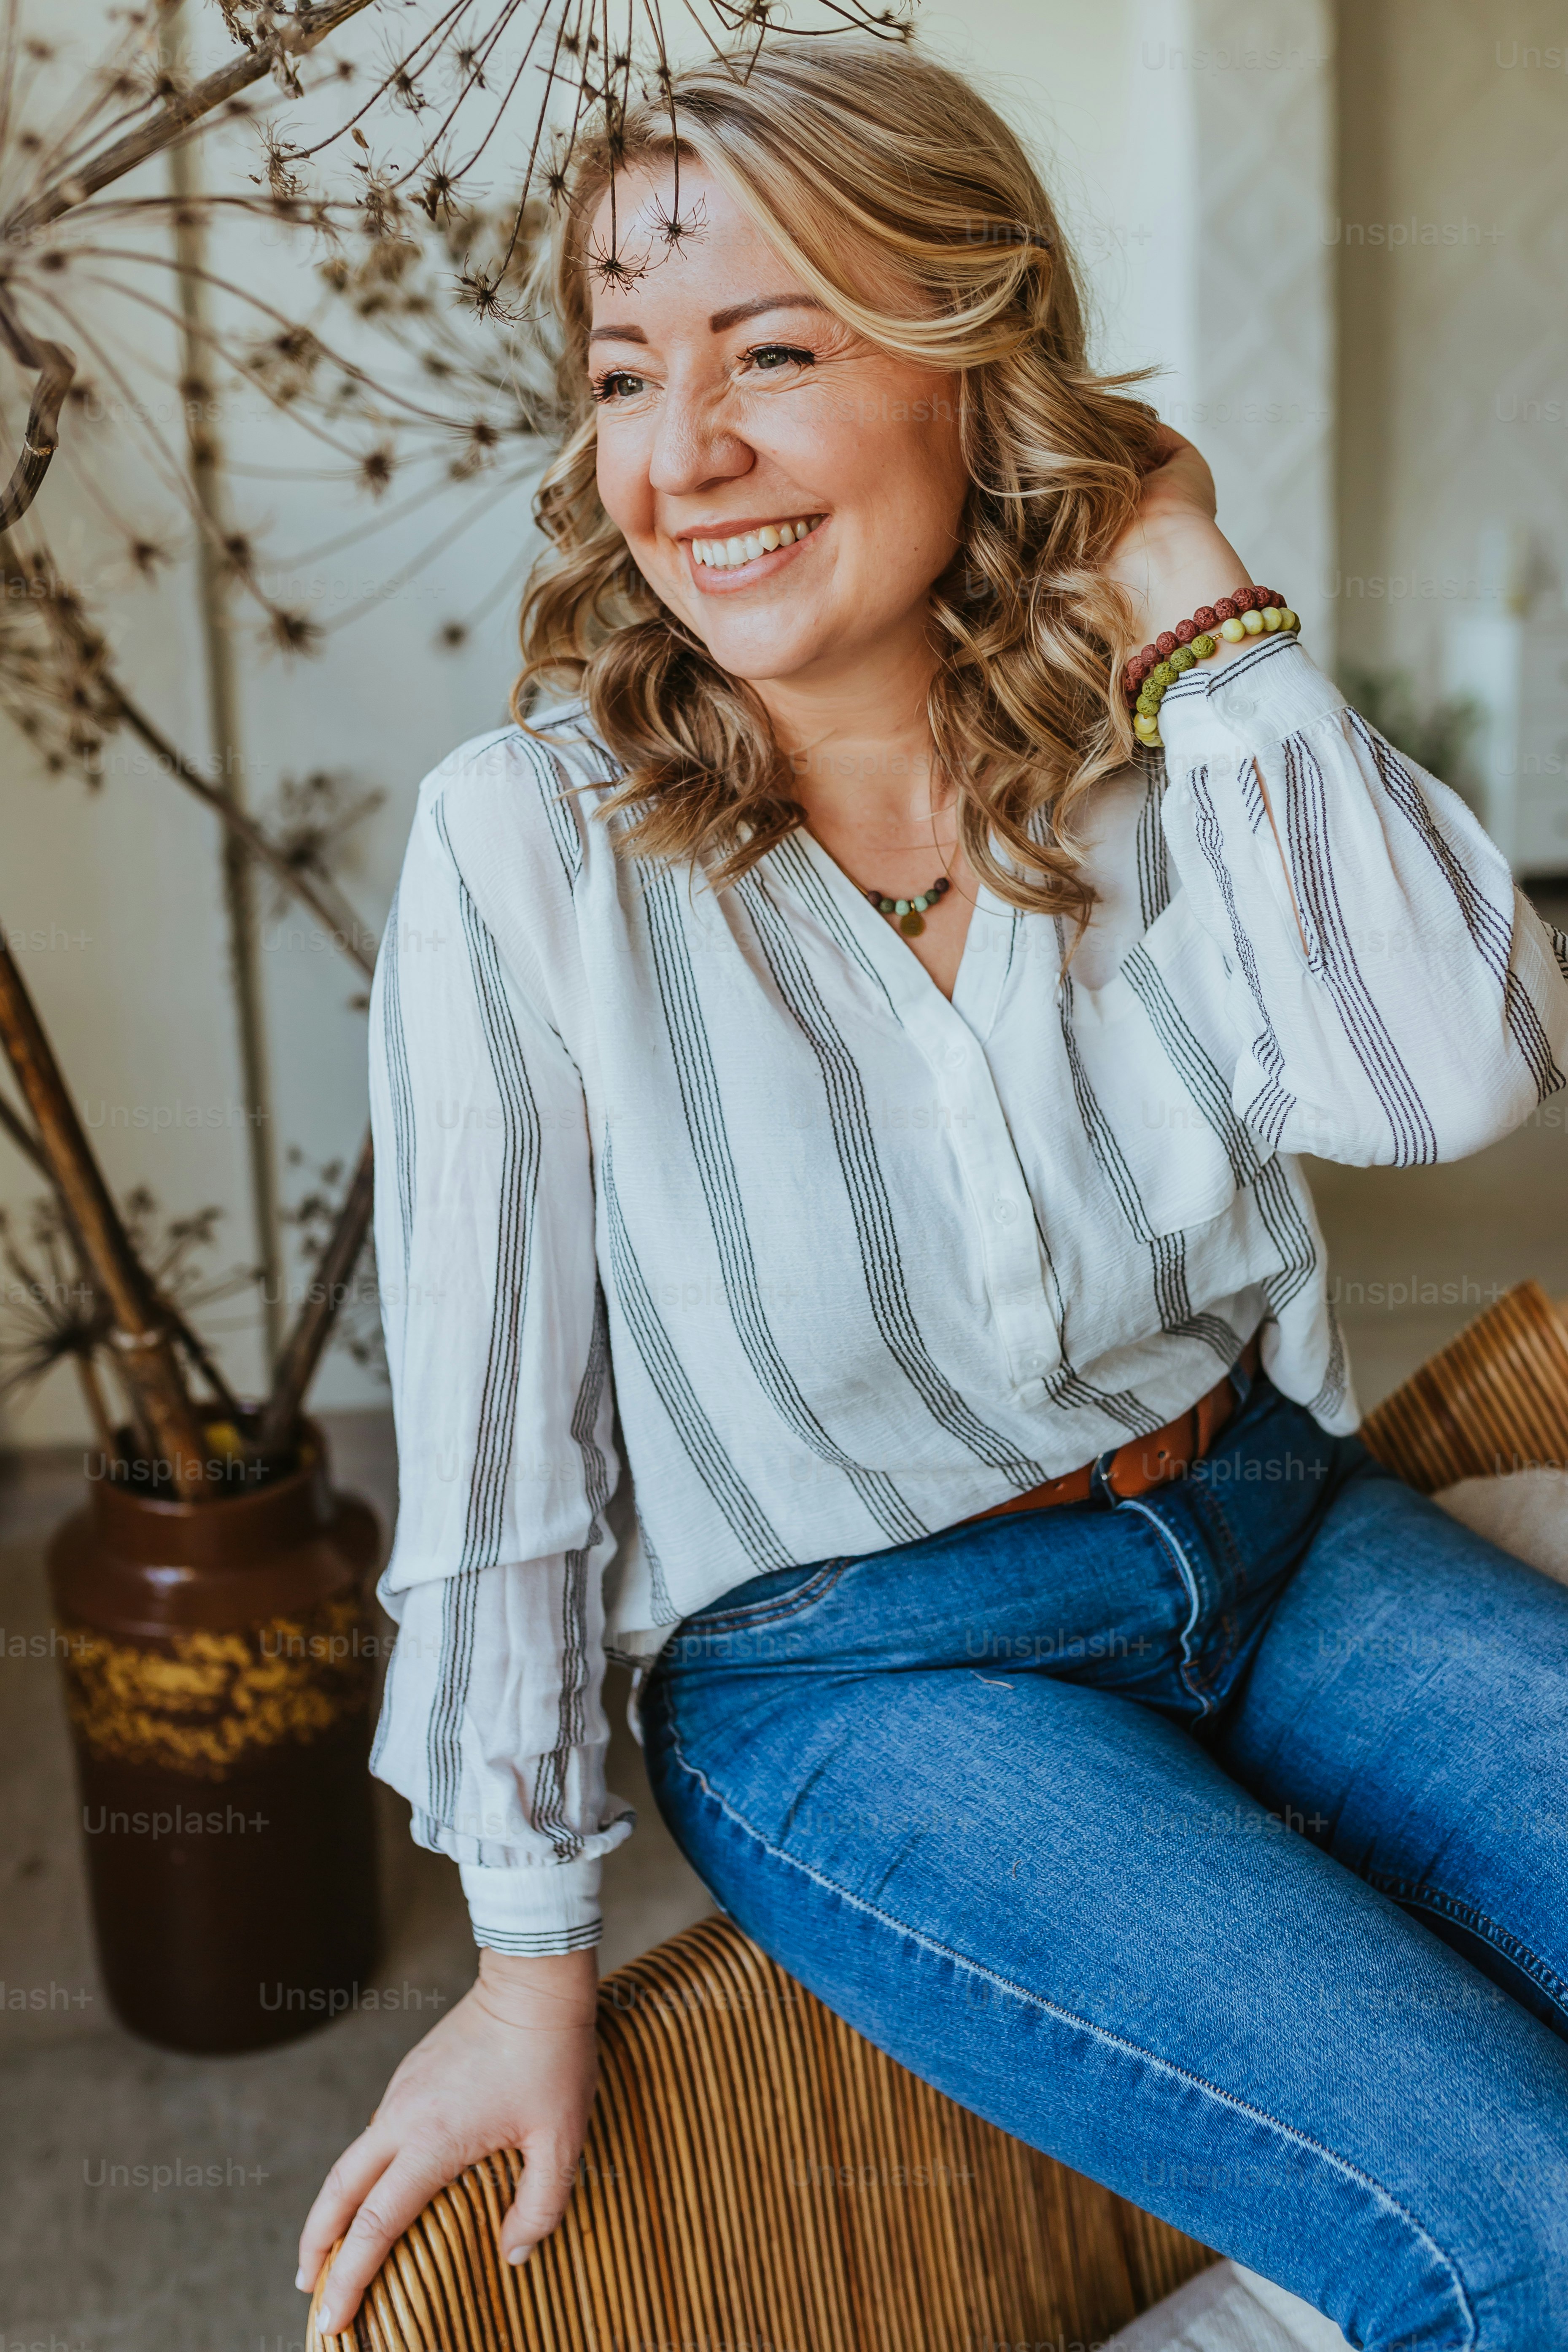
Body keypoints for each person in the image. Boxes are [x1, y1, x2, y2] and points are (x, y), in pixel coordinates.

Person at [299, 40, 1568, 2347]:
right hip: (870, 1672)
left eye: (771, 353)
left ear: (977, 370)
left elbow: (1456, 1074)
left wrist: (1178, 564)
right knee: (1530, 2229)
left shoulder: (1158, 747)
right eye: (625, 375)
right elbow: (500, 1448)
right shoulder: (528, 848)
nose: (681, 455)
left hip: (1275, 1531)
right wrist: (525, 1956)